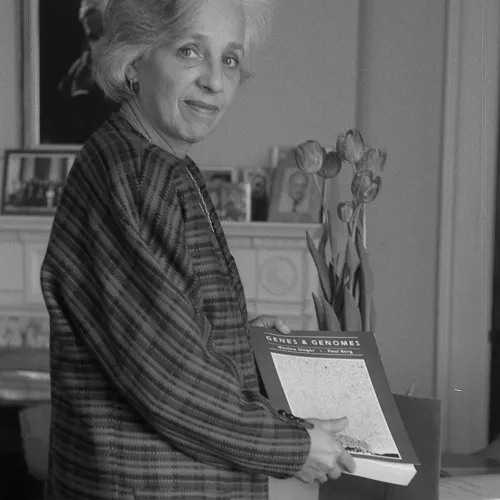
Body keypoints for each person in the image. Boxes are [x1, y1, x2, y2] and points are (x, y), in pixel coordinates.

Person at [40, 0, 356, 498]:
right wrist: (293, 447)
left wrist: (239, 338)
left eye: (229, 59)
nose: (215, 80)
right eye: (190, 51)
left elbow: (161, 328)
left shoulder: (157, 162)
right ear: (134, 58)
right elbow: (168, 381)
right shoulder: (136, 174)